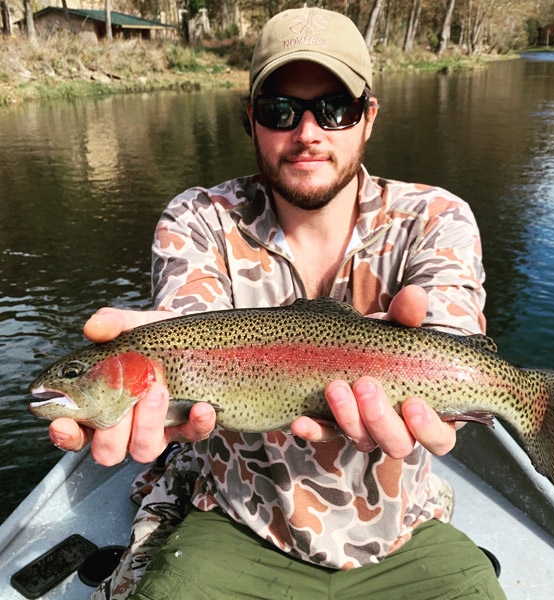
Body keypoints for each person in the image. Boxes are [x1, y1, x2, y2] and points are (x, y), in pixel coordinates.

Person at [50, 7, 505, 600]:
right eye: (280, 110)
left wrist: (453, 408)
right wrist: (141, 368)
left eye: (335, 108)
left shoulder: (437, 217)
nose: (308, 132)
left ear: (368, 117)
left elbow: (455, 340)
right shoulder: (199, 220)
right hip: (237, 520)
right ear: (250, 120)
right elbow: (185, 325)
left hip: (403, 527)